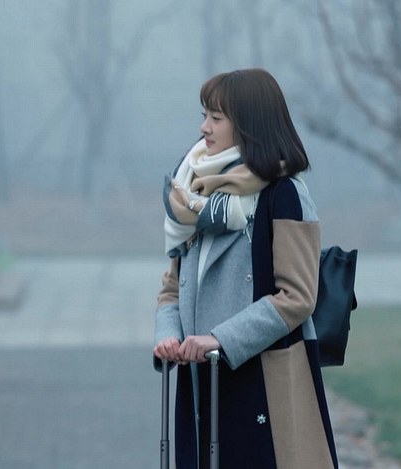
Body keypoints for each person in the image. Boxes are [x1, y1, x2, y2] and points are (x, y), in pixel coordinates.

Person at [153, 69, 337, 468]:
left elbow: (297, 297)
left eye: (216, 118)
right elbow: (172, 287)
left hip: (263, 383)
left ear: (249, 125)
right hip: (200, 379)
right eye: (204, 115)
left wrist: (220, 339)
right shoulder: (193, 195)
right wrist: (168, 335)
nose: (204, 127)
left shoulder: (284, 194)